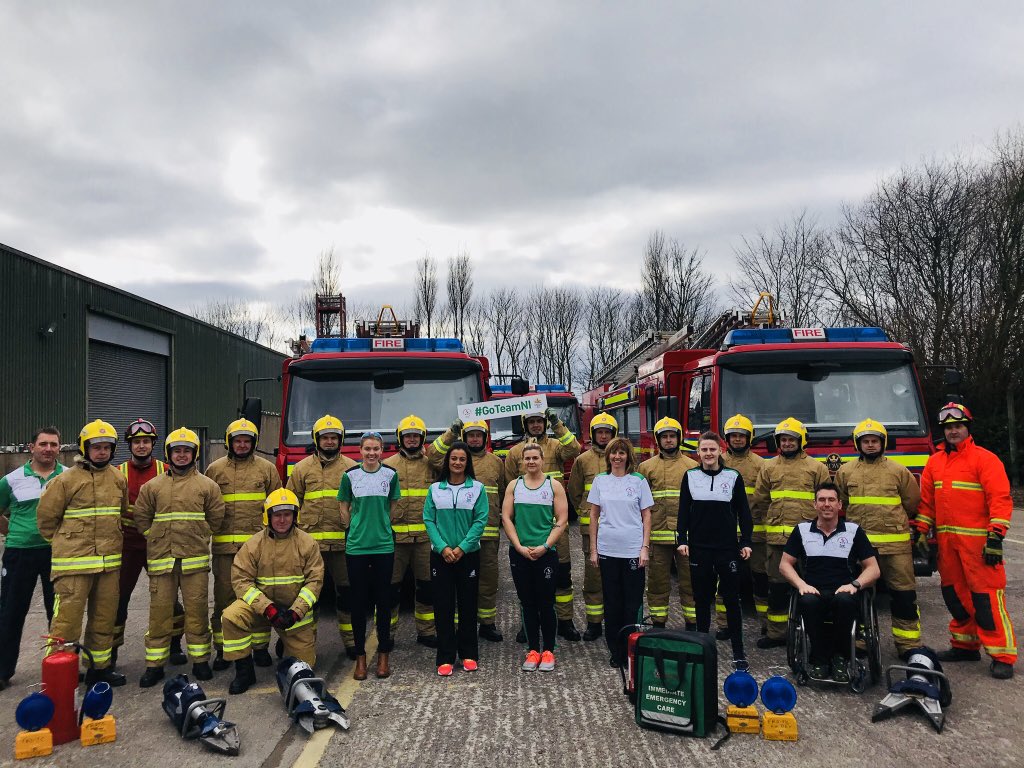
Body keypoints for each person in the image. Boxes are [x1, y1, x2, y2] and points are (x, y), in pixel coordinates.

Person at [913, 402, 1016, 679]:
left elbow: (1000, 499)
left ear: (967, 428)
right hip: (948, 544)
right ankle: (965, 645)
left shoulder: (985, 460)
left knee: (986, 598)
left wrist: (996, 536)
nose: (953, 431)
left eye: (958, 426)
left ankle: (1002, 655)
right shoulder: (935, 462)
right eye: (948, 428)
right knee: (954, 595)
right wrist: (922, 529)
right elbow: (927, 502)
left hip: (979, 544)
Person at [36, 420, 128, 687]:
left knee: (104, 620)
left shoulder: (118, 479)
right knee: (66, 622)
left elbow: (121, 514)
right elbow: (46, 520)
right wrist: (66, 545)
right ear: (84, 448)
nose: (102, 452)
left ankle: (99, 669)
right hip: (73, 567)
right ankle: (60, 671)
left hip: (108, 565)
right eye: (96, 447)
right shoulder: (65, 481)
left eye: (106, 447)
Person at [133, 428, 224, 687]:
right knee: (159, 614)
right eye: (177, 451)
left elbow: (215, 517)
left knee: (197, 612)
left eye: (186, 451)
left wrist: (201, 533)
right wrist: (154, 535)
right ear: (168, 454)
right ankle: (155, 665)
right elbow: (141, 516)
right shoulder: (153, 487)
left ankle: (200, 661)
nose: (182, 455)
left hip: (195, 562)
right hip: (162, 561)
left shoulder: (207, 486)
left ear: (195, 454)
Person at [835, 418, 922, 659]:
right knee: (858, 593)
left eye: (875, 441)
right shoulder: (846, 471)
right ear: (858, 444)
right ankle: (861, 640)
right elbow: (842, 501)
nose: (871, 445)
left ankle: (908, 644)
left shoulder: (898, 471)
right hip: (860, 548)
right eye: (866, 441)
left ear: (883, 443)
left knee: (903, 594)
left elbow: (912, 502)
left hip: (896, 546)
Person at [223, 488, 324, 694]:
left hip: (294, 613)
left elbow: (314, 582)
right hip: (262, 609)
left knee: (305, 668)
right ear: (268, 516)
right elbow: (241, 581)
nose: (282, 520)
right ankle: (244, 671)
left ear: (295, 516)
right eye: (277, 515)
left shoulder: (307, 543)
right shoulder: (254, 544)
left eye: (287, 514)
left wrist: (296, 612)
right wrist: (268, 609)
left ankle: (285, 644)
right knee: (231, 616)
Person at [779, 482, 880, 681]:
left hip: (844, 590)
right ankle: (819, 659)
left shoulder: (853, 531)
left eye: (831, 500)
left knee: (844, 601)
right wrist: (801, 585)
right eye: (822, 500)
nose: (827, 504)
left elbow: (873, 568)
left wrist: (855, 585)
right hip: (813, 589)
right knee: (807, 601)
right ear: (815, 504)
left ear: (839, 505)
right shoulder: (801, 530)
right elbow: (784, 565)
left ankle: (840, 657)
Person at [207, 418, 282, 671]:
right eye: (237, 441)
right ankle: (224, 649)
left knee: (259, 598)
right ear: (229, 442)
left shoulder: (267, 469)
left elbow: (277, 506)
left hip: (257, 549)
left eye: (246, 441)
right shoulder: (215, 470)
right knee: (224, 599)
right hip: (225, 550)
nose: (242, 445)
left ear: (254, 443)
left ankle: (260, 648)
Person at [504, 408, 582, 641]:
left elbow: (574, 448)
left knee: (562, 576)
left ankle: (565, 621)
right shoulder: (515, 452)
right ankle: (527, 623)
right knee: (526, 582)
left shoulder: (557, 446)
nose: (536, 425)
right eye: (532, 421)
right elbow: (510, 484)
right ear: (525, 424)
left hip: (555, 527)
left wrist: (557, 422)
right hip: (527, 527)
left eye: (540, 421)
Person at [676, 432, 753, 668]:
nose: (708, 453)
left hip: (727, 549)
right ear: (698, 452)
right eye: (704, 450)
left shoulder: (733, 476)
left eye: (712, 449)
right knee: (701, 600)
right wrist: (682, 539)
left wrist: (746, 541)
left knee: (732, 600)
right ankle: (702, 649)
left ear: (720, 451)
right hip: (699, 548)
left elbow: (744, 512)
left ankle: (738, 653)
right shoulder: (690, 476)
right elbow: (683, 511)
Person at [752, 417, 830, 649]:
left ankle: (816, 631)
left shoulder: (817, 468)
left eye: (791, 439)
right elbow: (761, 499)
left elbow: (827, 503)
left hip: (811, 541)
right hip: (778, 540)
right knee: (777, 587)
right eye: (783, 439)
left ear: (801, 441)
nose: (786, 443)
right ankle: (777, 633)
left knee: (813, 587)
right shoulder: (768, 467)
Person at [114, 418, 185, 669]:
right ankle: (109, 654)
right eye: (137, 442)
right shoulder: (118, 473)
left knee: (168, 599)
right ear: (130, 445)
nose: (141, 446)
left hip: (158, 545)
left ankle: (174, 646)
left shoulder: (166, 470)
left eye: (146, 441)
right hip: (128, 546)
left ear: (153, 444)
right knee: (118, 600)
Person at [429, 419, 507, 642]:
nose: (474, 439)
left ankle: (487, 624)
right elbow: (432, 455)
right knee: (456, 586)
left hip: (487, 533)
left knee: (488, 581)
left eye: (478, 435)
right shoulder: (453, 458)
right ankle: (458, 627)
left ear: (485, 437)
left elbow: (501, 491)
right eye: (470, 435)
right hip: (456, 539)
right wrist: (451, 432)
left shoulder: (496, 462)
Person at [287, 414, 358, 660]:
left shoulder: (352, 468)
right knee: (309, 599)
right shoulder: (301, 468)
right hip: (310, 548)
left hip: (343, 546)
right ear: (316, 440)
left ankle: (352, 642)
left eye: (334, 437)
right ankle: (304, 645)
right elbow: (291, 504)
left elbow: (359, 506)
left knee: (347, 596)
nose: (329, 441)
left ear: (341, 440)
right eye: (325, 437)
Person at [0, 427, 66, 689]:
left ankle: (60, 666)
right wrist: (15, 532)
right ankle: (3, 670)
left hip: (56, 552)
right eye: (43, 444)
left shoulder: (68, 477)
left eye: (53, 445)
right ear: (32, 447)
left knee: (58, 613)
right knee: (11, 611)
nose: (48, 449)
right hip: (19, 553)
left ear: (59, 448)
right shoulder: (12, 479)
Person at [423, 441, 489, 675]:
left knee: (468, 604)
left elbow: (480, 520)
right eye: (454, 459)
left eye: (462, 459)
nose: (457, 463)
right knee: (443, 606)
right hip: (441, 556)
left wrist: (462, 548)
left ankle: (469, 654)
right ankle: (445, 657)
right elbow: (429, 520)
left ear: (467, 462)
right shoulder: (435, 489)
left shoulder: (477, 489)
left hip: (468, 555)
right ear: (447, 461)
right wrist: (442, 548)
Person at [502, 442, 569, 671]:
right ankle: (532, 650)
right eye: (527, 458)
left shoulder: (554, 485)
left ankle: (548, 650)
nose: (531, 462)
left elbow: (562, 520)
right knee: (527, 603)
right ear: (522, 461)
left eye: (535, 458)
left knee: (546, 603)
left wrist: (545, 546)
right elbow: (506, 518)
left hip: (546, 553)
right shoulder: (514, 485)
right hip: (520, 553)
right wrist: (519, 546)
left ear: (542, 460)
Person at [587, 436, 653, 667]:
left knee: (631, 604)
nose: (617, 457)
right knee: (612, 603)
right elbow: (594, 515)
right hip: (608, 550)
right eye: (613, 453)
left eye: (621, 453)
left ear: (628, 456)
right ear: (608, 456)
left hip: (633, 551)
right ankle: (615, 651)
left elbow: (646, 516)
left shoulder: (638, 481)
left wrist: (644, 548)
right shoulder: (600, 481)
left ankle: (630, 650)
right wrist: (593, 549)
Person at [340, 431, 401, 680]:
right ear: (360, 451)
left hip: (383, 546)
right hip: (357, 547)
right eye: (367, 449)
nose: (372, 453)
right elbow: (343, 505)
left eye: (376, 449)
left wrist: (383, 524)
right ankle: (361, 658)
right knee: (358, 603)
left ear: (382, 451)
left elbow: (393, 505)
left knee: (383, 602)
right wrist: (352, 527)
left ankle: (383, 657)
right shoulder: (350, 476)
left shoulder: (391, 475)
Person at [384, 414, 440, 648]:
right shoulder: (387, 466)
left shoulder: (432, 465)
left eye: (416, 436)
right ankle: (386, 634)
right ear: (400, 438)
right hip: (394, 540)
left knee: (427, 587)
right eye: (408, 436)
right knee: (389, 590)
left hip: (425, 540)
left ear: (423, 438)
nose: (412, 439)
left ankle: (426, 632)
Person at [638, 417, 698, 629]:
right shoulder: (646, 468)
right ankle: (658, 623)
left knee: (690, 582)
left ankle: (692, 623)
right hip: (657, 536)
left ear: (679, 438)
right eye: (664, 437)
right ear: (658, 440)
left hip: (687, 538)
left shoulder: (692, 466)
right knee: (657, 583)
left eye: (672, 436)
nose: (669, 440)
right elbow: (639, 503)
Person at [567, 412, 618, 641]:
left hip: (619, 528)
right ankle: (594, 624)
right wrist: (584, 513)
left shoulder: (622, 457)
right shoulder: (582, 460)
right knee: (593, 578)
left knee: (616, 578)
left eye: (607, 432)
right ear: (593, 434)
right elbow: (574, 491)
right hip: (592, 531)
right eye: (600, 432)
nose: (604, 436)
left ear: (614, 434)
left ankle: (615, 621)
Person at [720, 414, 767, 636]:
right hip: (726, 533)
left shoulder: (762, 465)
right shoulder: (718, 462)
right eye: (733, 435)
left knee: (761, 578)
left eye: (742, 435)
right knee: (725, 580)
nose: (737, 439)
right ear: (727, 438)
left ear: (750, 438)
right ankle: (724, 625)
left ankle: (768, 625)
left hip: (755, 533)